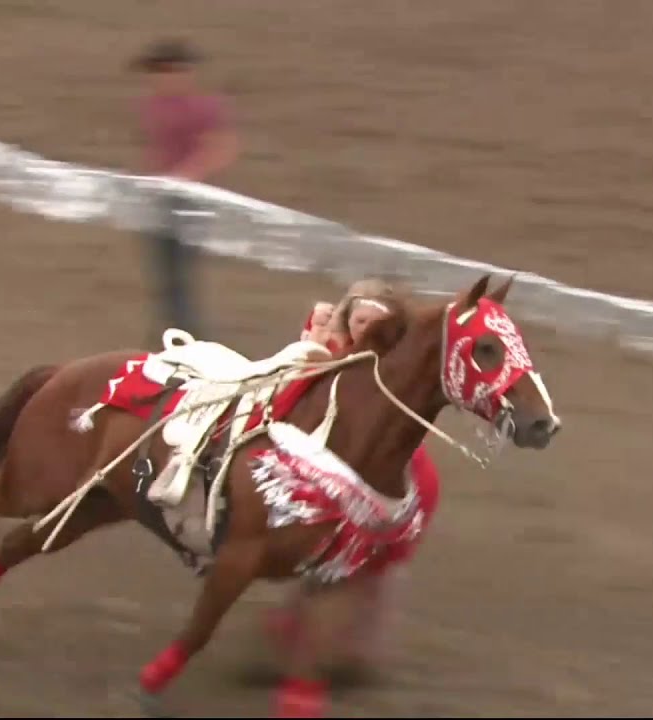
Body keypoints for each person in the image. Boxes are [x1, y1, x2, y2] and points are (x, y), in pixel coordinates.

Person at [264, 280, 443, 685]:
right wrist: (314, 334)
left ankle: (346, 649)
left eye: (375, 324)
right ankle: (313, 638)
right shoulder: (326, 352)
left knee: (370, 572)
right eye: (360, 320)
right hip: (332, 477)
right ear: (348, 321)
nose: (367, 330)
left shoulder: (393, 369)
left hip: (387, 486)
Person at [131, 38, 239, 340]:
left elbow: (222, 148)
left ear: (182, 72)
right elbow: (155, 152)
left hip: (191, 202)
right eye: (155, 73)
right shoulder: (150, 106)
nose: (158, 79)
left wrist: (186, 176)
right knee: (161, 274)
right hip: (157, 200)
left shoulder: (204, 107)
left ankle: (186, 337)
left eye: (164, 71)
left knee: (180, 274)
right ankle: (169, 335)